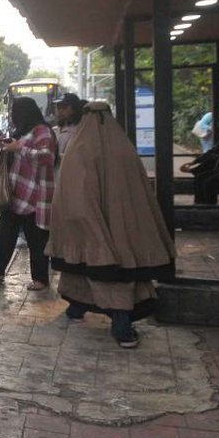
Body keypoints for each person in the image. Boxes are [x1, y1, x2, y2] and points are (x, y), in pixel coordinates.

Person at [48, 103, 173, 348]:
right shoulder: (123, 147)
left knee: (96, 270)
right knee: (115, 272)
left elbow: (70, 193)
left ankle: (115, 323)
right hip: (122, 227)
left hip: (88, 226)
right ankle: (94, 315)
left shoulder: (79, 148)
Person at [0, 97, 56, 290]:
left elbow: (47, 156)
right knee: (3, 234)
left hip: (36, 194)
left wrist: (20, 147)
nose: (12, 115)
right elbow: (9, 146)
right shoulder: (23, 130)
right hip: (15, 193)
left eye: (15, 111)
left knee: (36, 240)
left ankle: (40, 279)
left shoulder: (42, 131)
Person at [182, 113, 219, 205]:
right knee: (201, 177)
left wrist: (194, 163)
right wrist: (195, 162)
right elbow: (216, 150)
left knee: (208, 181)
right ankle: (200, 204)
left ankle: (208, 205)